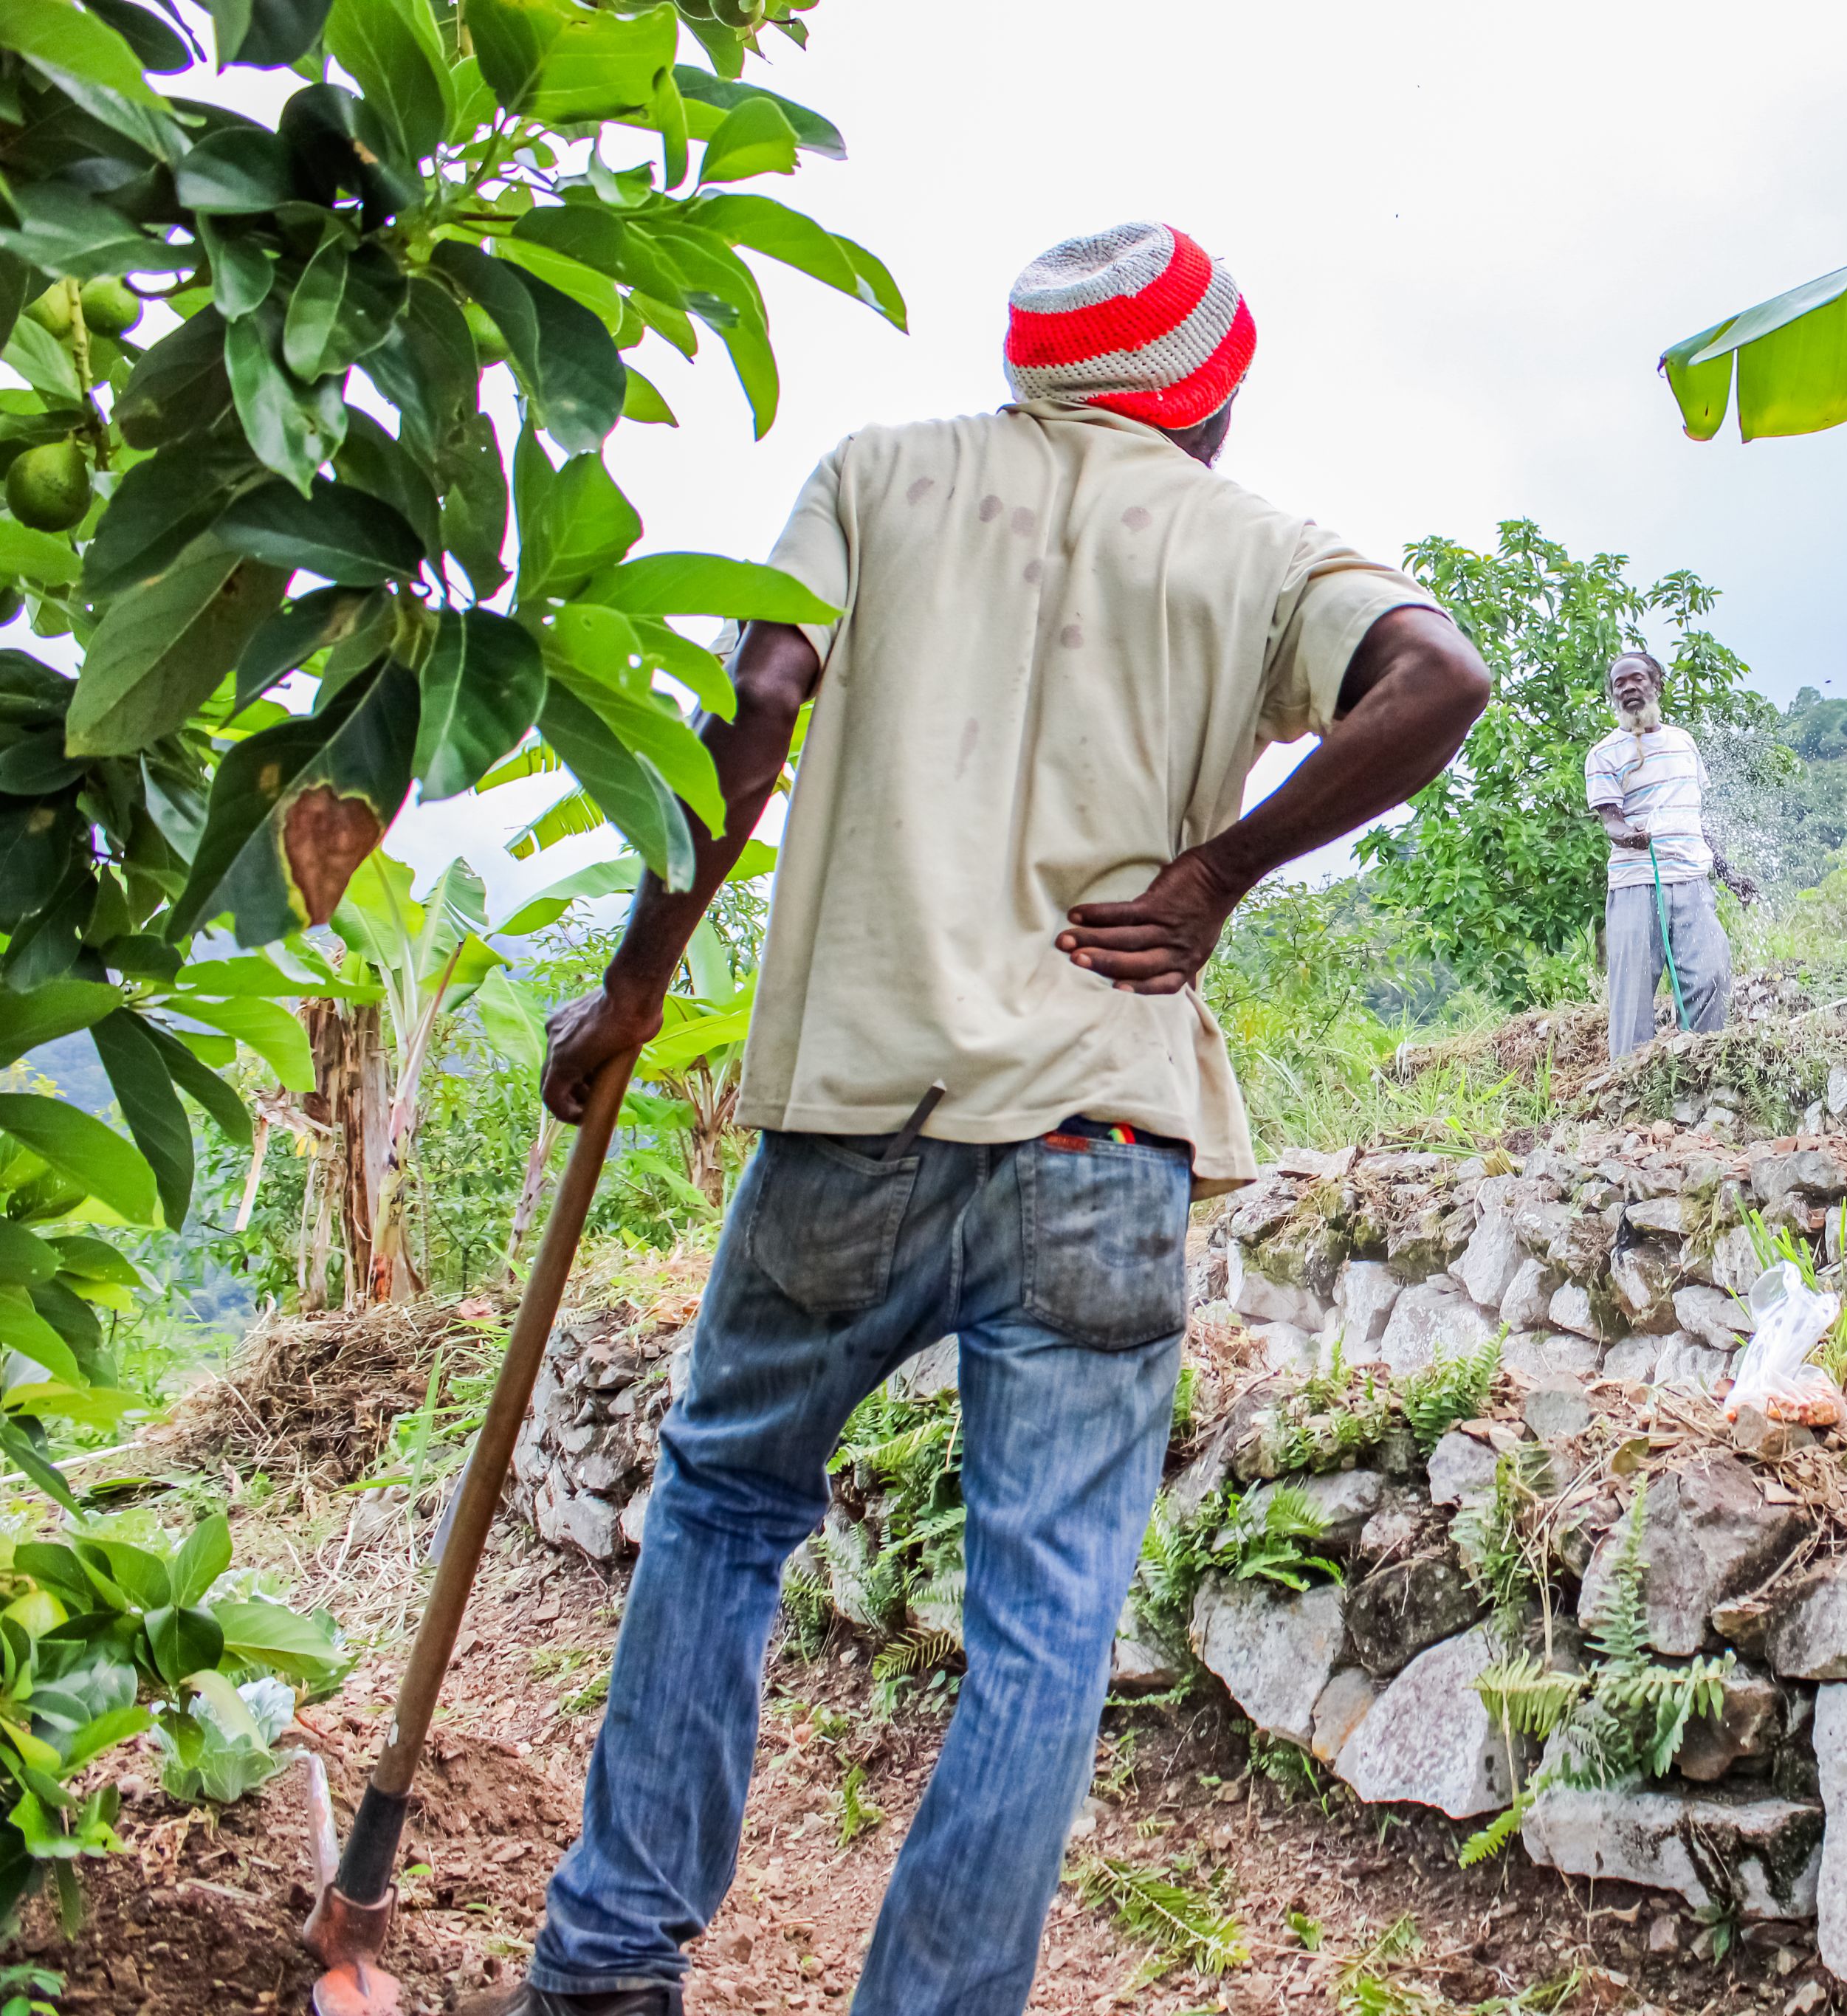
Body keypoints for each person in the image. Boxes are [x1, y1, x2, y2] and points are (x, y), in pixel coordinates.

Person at [482, 223, 1492, 2016]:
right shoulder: (1256, 543)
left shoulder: (878, 478)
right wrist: (1220, 872)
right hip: (1098, 1145)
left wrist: (640, 986)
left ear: (1035, 364)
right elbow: (1439, 681)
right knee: (1047, 1620)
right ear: (1211, 393)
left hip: (851, 1120)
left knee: (719, 1506)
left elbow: (762, 697)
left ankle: (608, 1963)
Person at [1586, 650, 1748, 1056]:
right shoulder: (1604, 754)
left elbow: (1696, 816)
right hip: (1637, 885)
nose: (1628, 688)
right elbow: (1610, 820)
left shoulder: (1683, 743)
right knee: (1633, 997)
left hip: (1693, 881)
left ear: (1656, 685)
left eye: (1636, 679)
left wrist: (1729, 874)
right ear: (1613, 697)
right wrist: (1628, 835)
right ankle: (1628, 1088)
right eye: (1619, 684)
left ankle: (1700, 1067)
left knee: (1711, 975)